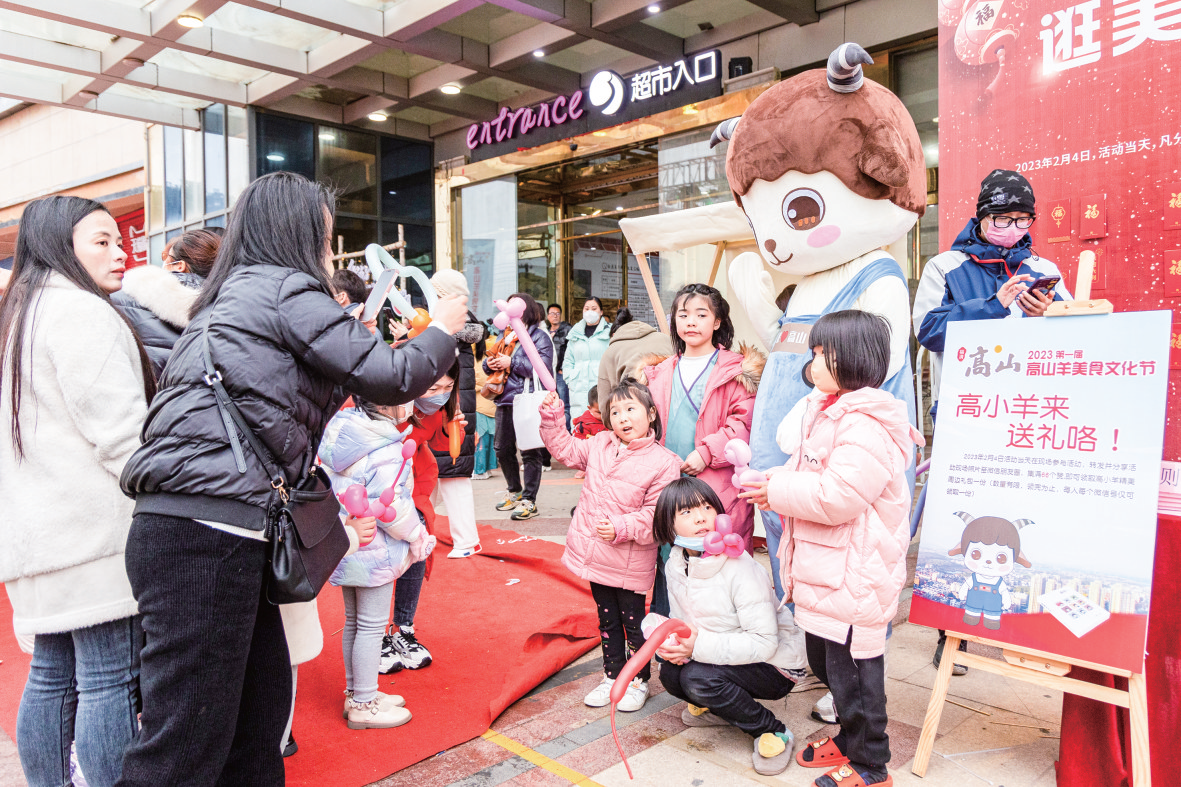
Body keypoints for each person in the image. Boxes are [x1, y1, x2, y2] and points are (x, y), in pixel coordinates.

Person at [116, 172, 467, 786]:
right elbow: (391, 377)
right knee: (183, 747)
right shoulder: (284, 288)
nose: (329, 250)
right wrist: (443, 327)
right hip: (210, 533)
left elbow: (290, 399)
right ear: (299, 233)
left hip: (199, 528)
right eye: (325, 235)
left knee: (254, 722)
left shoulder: (231, 298)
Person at [0, 196, 156, 787]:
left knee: (51, 675)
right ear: (60, 246)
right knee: (108, 678)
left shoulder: (21, 313)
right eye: (102, 242)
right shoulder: (80, 312)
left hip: (36, 534)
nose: (120, 253)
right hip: (94, 532)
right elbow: (121, 438)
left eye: (119, 240)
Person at [743, 310, 924, 787]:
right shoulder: (832, 411)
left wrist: (776, 492)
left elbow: (837, 496)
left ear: (853, 359)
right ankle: (847, 739)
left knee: (857, 679)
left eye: (823, 354)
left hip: (855, 577)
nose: (813, 363)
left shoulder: (865, 425)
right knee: (831, 667)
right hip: (831, 571)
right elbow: (810, 470)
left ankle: (870, 765)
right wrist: (774, 480)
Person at [912, 168, 1068, 675]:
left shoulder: (1044, 268)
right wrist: (991, 307)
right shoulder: (946, 266)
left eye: (1023, 219)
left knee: (1024, 520)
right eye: (1003, 218)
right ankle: (950, 633)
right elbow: (927, 331)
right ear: (981, 216)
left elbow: (1074, 338)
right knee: (958, 520)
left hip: (1028, 415)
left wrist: (1049, 316)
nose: (1013, 228)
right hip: (967, 415)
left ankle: (1018, 630)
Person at [538, 379, 681, 712]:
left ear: (651, 414)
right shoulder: (601, 443)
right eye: (615, 411)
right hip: (596, 556)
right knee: (606, 621)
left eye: (630, 409)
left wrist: (621, 527)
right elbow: (565, 449)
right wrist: (553, 416)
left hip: (630, 561)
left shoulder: (664, 462)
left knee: (633, 623)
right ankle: (612, 675)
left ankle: (638, 680)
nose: (622, 417)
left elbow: (657, 516)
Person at [651, 477, 806, 777]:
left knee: (697, 679)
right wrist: (677, 648)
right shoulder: (675, 563)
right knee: (670, 673)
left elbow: (765, 643)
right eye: (686, 512)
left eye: (707, 507)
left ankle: (772, 730)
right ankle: (721, 707)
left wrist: (697, 647)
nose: (700, 517)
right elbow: (682, 621)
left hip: (777, 665)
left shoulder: (738, 566)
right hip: (724, 652)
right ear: (668, 525)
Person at [639, 284, 761, 617]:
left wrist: (706, 453)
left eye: (701, 314)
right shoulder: (658, 372)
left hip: (717, 488)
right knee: (670, 562)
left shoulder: (738, 371)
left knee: (719, 569)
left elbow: (744, 422)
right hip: (667, 486)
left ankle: (718, 639)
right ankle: (669, 636)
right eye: (683, 315)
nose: (690, 322)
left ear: (718, 321)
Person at [320, 398, 435, 730]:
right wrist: (417, 534)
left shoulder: (343, 432)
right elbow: (392, 506)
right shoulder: (384, 445)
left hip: (347, 542)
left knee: (354, 622)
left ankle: (356, 693)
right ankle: (364, 703)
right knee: (371, 626)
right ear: (385, 405)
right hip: (376, 549)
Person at [378, 362, 464, 673]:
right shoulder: (380, 396)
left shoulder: (437, 408)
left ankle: (403, 627)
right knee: (379, 557)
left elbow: (443, 445)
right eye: (433, 388)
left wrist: (454, 426)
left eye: (447, 388)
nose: (440, 394)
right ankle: (375, 633)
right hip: (375, 488)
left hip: (414, 485)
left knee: (416, 550)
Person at [427, 270, 486, 558]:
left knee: (452, 476)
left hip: (451, 413)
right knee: (430, 476)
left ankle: (467, 541)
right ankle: (422, 534)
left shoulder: (447, 332)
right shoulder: (456, 331)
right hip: (447, 411)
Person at [113, 227, 221, 379]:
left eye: (166, 257)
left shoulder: (122, 298)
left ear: (179, 265)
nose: (163, 262)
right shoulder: (230, 305)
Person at [484, 292, 553, 522]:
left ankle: (529, 500)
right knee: (502, 449)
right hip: (504, 399)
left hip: (526, 399)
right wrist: (490, 363)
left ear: (526, 309)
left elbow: (543, 368)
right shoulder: (505, 334)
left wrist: (511, 362)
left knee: (530, 451)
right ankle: (515, 491)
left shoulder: (539, 336)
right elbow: (487, 363)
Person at [597, 307, 673, 408]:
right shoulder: (667, 339)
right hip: (672, 406)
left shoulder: (610, 352)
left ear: (614, 335)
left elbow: (604, 403)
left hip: (637, 410)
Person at [561, 296, 611, 418]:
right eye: (587, 308)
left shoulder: (609, 332)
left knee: (601, 420)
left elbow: (615, 359)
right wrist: (570, 378)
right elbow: (568, 360)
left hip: (601, 386)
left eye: (594, 308)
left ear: (601, 312)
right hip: (577, 387)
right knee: (579, 421)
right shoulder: (575, 333)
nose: (590, 312)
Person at [472, 335, 498, 480]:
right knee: (490, 438)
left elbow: (475, 381)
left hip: (479, 404)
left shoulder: (474, 358)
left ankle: (479, 469)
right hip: (492, 403)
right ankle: (487, 468)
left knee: (479, 438)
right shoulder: (493, 355)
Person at [547, 303, 573, 430]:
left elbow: (570, 351)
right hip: (548, 374)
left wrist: (564, 368)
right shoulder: (545, 331)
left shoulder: (568, 330)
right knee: (551, 403)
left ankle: (566, 431)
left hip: (561, 373)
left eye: (557, 313)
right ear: (548, 316)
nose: (555, 316)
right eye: (552, 313)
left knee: (564, 404)